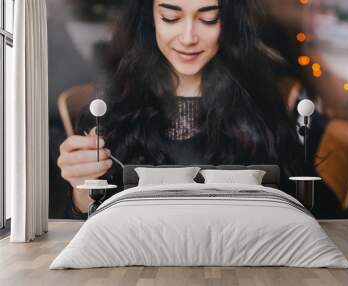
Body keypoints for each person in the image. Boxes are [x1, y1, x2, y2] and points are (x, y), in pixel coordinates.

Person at [57, 0, 303, 218]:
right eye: (171, 17)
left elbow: (298, 204)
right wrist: (82, 188)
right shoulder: (110, 103)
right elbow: (88, 219)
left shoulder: (261, 98)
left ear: (228, 20)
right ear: (150, 17)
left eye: (208, 19)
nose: (188, 38)